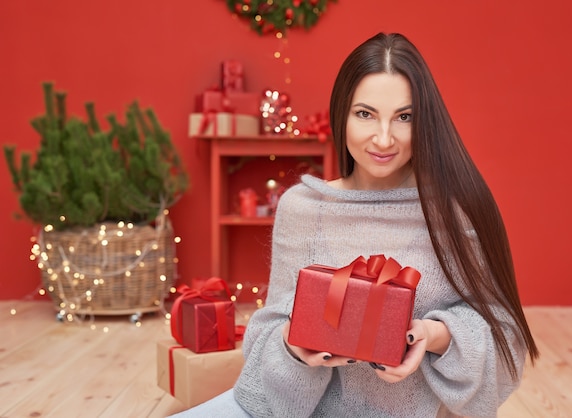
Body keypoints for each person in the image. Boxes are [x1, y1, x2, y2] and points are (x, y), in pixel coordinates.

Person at [170, 32, 539, 418]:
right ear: (341, 114)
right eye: (365, 114)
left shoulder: (455, 211)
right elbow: (268, 336)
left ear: (425, 121)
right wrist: (296, 345)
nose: (383, 138)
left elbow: (505, 340)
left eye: (404, 117)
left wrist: (432, 336)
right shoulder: (303, 208)